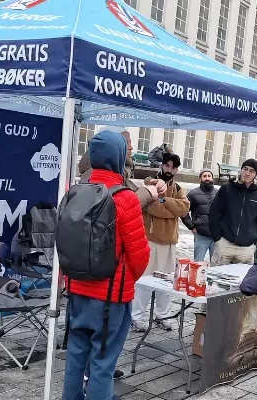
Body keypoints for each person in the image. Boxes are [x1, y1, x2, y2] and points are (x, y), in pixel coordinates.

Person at [62, 130, 151, 400]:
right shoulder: (125, 198)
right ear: (119, 157)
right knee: (103, 363)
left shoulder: (74, 192)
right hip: (111, 297)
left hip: (77, 290)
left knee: (75, 358)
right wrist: (126, 278)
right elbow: (139, 255)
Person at [132, 153, 190, 332]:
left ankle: (163, 315)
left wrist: (164, 201)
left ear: (176, 170)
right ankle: (136, 316)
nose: (169, 169)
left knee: (167, 282)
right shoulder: (150, 184)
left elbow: (184, 208)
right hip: (148, 240)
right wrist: (169, 209)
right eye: (167, 165)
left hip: (169, 242)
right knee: (143, 280)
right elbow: (150, 206)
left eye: (173, 167)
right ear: (162, 165)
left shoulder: (179, 187)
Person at [78, 126, 165, 209]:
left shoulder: (120, 173)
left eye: (130, 142)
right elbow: (112, 212)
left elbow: (141, 199)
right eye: (125, 143)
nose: (131, 147)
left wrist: (155, 189)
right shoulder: (93, 174)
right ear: (111, 147)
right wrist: (147, 193)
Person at [208, 159, 257, 266]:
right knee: (216, 280)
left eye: (252, 171)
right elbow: (214, 213)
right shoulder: (226, 189)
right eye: (245, 169)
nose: (247, 173)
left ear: (256, 175)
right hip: (224, 245)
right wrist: (217, 238)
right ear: (240, 170)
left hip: (246, 249)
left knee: (242, 281)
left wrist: (255, 243)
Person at [181, 169, 218, 262]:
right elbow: (183, 211)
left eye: (209, 176)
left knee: (216, 265)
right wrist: (191, 227)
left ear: (212, 178)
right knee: (197, 264)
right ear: (200, 178)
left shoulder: (219, 193)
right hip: (201, 234)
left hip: (216, 236)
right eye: (204, 176)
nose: (207, 178)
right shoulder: (193, 194)